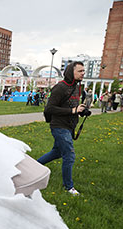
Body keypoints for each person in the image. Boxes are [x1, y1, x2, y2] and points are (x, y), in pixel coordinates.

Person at [38, 61, 86, 195]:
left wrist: (80, 111)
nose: (83, 73)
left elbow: (71, 106)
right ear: (71, 72)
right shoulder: (60, 88)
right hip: (59, 126)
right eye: (80, 71)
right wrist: (72, 111)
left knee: (57, 152)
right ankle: (69, 187)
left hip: (70, 126)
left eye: (83, 71)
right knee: (69, 155)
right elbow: (50, 108)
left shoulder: (77, 87)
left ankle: (34, 166)